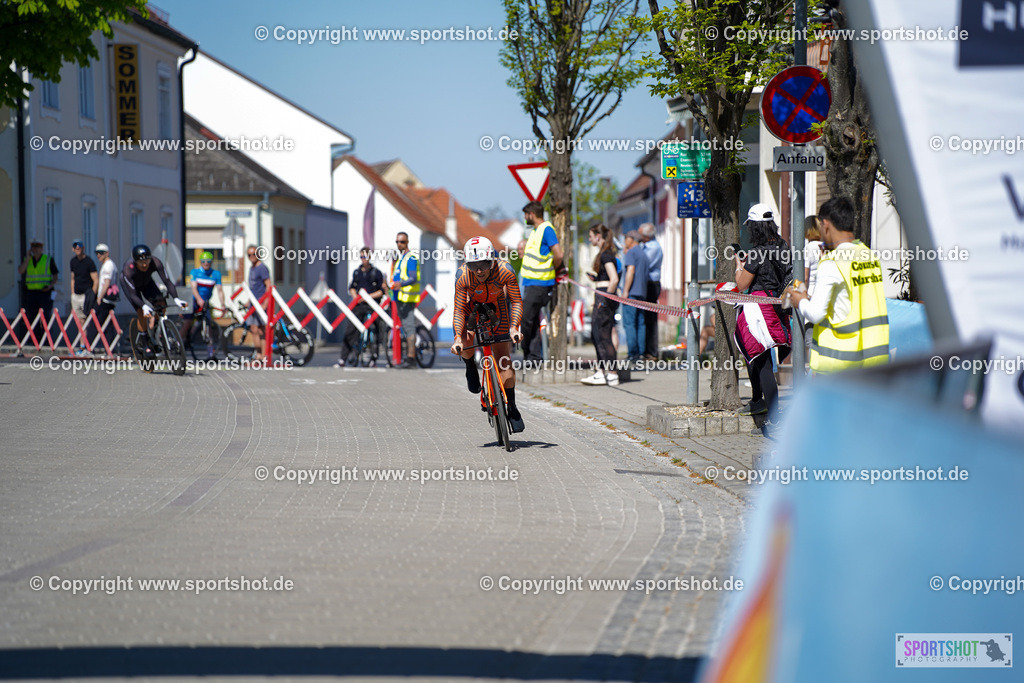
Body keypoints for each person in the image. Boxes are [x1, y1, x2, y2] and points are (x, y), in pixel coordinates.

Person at [786, 197, 889, 374]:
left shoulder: (831, 262)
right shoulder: (868, 255)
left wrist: (800, 300)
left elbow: (815, 314)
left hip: (838, 364)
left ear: (825, 224)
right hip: (873, 360)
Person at [450, 236, 525, 432]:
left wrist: (515, 327)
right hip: (472, 309)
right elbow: (458, 310)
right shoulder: (462, 275)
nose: (480, 270)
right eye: (474, 265)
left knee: (504, 363)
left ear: (492, 260)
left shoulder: (505, 271)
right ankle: (469, 365)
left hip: (497, 309)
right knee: (465, 343)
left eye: (484, 263)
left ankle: (512, 406)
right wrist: (458, 339)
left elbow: (516, 302)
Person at [733, 204, 792, 437]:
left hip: (760, 309)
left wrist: (739, 266)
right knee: (756, 356)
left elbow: (741, 284)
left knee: (761, 359)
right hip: (778, 306)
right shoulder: (784, 246)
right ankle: (758, 400)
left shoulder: (756, 252)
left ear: (754, 227)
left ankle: (775, 419)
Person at [119, 244, 187, 358]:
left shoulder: (156, 262)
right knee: (141, 311)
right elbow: (133, 294)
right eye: (141, 263)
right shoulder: (128, 269)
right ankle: (145, 343)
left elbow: (167, 281)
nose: (145, 264)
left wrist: (176, 298)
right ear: (135, 262)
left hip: (147, 283)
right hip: (132, 288)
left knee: (161, 304)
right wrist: (144, 306)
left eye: (147, 261)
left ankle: (155, 327)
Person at [519, 201, 564, 365]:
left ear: (532, 214)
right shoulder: (536, 231)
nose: (524, 218)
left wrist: (553, 268)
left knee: (525, 320)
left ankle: (531, 356)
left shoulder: (546, 229)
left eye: (526, 214)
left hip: (540, 284)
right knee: (532, 321)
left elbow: (558, 254)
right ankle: (533, 357)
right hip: (532, 283)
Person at [580, 224, 620, 386]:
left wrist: (604, 300)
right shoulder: (605, 253)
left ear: (598, 236)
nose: (589, 239)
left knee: (602, 336)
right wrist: (596, 280)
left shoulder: (605, 255)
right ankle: (603, 372)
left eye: (591, 236)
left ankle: (610, 372)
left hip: (605, 296)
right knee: (599, 335)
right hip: (601, 293)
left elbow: (614, 278)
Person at [337, 247, 387, 367]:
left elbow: (381, 291)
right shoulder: (357, 272)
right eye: (361, 257)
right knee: (350, 330)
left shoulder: (376, 273)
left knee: (376, 331)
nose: (363, 259)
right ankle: (343, 358)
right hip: (359, 305)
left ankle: (373, 358)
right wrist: (356, 297)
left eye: (365, 257)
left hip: (372, 305)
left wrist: (368, 297)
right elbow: (352, 288)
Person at [180, 251, 225, 359]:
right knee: (187, 322)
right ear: (200, 262)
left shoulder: (216, 274)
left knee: (208, 325)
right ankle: (179, 344)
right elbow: (194, 288)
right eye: (203, 261)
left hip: (205, 302)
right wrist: (199, 299)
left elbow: (220, 291)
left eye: (208, 261)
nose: (206, 263)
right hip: (193, 301)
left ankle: (211, 353)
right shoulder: (195, 272)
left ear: (211, 262)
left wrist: (223, 305)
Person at [390, 232, 420, 369]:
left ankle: (411, 359)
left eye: (401, 242)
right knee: (406, 330)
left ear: (407, 242)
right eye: (397, 242)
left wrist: (400, 284)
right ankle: (408, 357)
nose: (399, 244)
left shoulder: (411, 258)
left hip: (407, 299)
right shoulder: (401, 259)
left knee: (409, 328)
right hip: (399, 299)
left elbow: (413, 278)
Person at [619, 230, 650, 365]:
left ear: (631, 240)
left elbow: (630, 270)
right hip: (642, 293)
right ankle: (641, 352)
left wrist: (625, 290)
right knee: (640, 323)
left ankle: (633, 353)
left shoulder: (631, 252)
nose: (625, 241)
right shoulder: (643, 254)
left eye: (626, 238)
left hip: (631, 293)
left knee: (629, 323)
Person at [17, 239, 58, 337]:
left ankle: (46, 340)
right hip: (31, 292)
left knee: (45, 317)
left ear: (41, 249)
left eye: (37, 247)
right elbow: (20, 271)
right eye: (33, 247)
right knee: (32, 316)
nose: (35, 249)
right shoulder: (28, 260)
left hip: (44, 292)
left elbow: (55, 275)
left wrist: (50, 286)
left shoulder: (47, 259)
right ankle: (35, 339)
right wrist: (27, 258)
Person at [639, 223, 663, 362]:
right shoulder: (645, 246)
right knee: (644, 318)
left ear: (647, 236)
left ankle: (652, 351)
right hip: (645, 283)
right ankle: (645, 349)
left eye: (641, 235)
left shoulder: (653, 248)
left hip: (651, 284)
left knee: (651, 318)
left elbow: (644, 262)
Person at [245, 245, 272, 361]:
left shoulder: (262, 268)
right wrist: (248, 301)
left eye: (254, 254)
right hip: (253, 304)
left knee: (261, 330)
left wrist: (265, 302)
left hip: (261, 303)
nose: (251, 257)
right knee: (254, 329)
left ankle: (264, 355)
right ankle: (258, 355)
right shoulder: (251, 268)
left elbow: (268, 285)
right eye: (249, 255)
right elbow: (252, 288)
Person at [68, 240, 98, 339]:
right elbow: (73, 278)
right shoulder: (73, 261)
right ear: (73, 249)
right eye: (75, 247)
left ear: (83, 248)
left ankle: (87, 345)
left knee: (87, 321)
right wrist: (72, 293)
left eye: (79, 247)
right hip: (76, 295)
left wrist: (92, 295)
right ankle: (82, 345)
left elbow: (95, 279)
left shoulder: (89, 262)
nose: (77, 248)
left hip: (86, 295)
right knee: (79, 321)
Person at [93, 244, 119, 349]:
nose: (98, 255)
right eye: (97, 253)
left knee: (103, 324)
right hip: (105, 299)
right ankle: (110, 348)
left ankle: (108, 348)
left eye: (101, 253)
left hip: (106, 299)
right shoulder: (106, 264)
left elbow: (107, 283)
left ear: (106, 253)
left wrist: (99, 297)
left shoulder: (109, 265)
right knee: (107, 325)